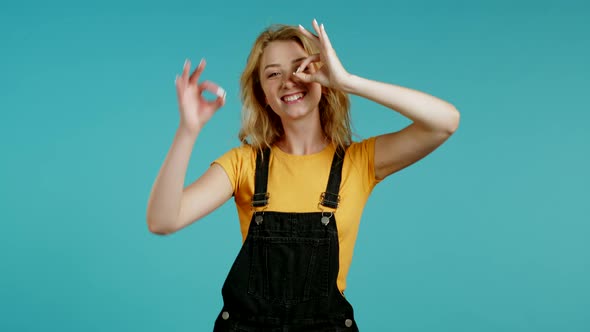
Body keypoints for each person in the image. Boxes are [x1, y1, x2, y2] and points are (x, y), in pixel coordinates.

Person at [146, 19, 460, 331]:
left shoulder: (359, 161)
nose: (288, 81)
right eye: (273, 74)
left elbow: (444, 121)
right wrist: (188, 130)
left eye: (301, 68)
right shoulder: (244, 164)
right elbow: (163, 221)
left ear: (323, 79)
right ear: (263, 95)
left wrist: (348, 80)